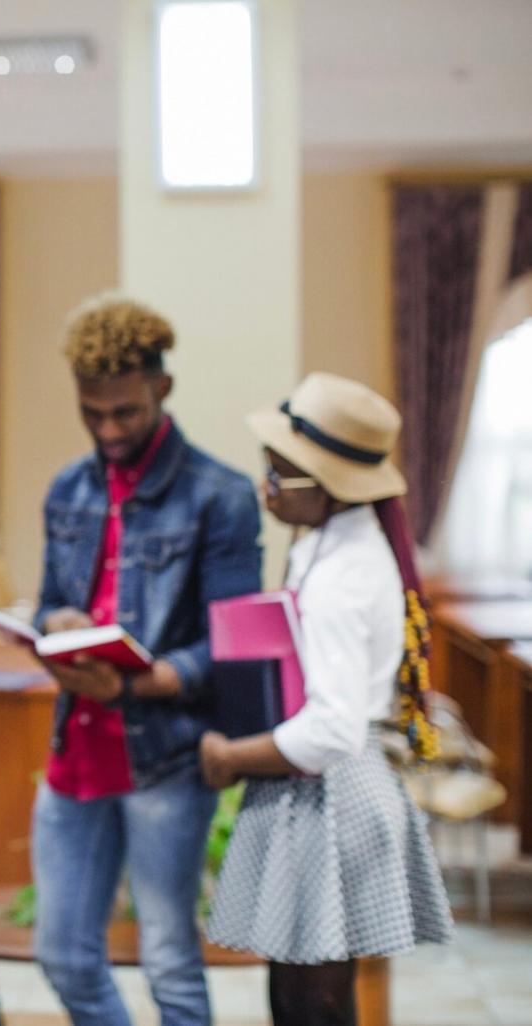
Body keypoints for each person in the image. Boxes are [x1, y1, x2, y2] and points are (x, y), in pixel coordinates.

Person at [30, 294, 261, 1026]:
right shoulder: (67, 488)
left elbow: (229, 645)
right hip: (77, 752)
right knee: (63, 956)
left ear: (162, 387)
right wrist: (55, 626)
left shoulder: (217, 496)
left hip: (164, 758)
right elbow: (46, 603)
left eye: (124, 413)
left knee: (168, 960)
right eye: (91, 413)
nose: (107, 430)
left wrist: (136, 683)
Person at [201, 372, 453, 1026]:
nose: (266, 488)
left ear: (329, 487)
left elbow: (331, 731)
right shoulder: (328, 540)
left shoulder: (342, 578)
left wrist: (230, 755)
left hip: (330, 794)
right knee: (300, 990)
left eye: (280, 476)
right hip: (321, 790)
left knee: (310, 1002)